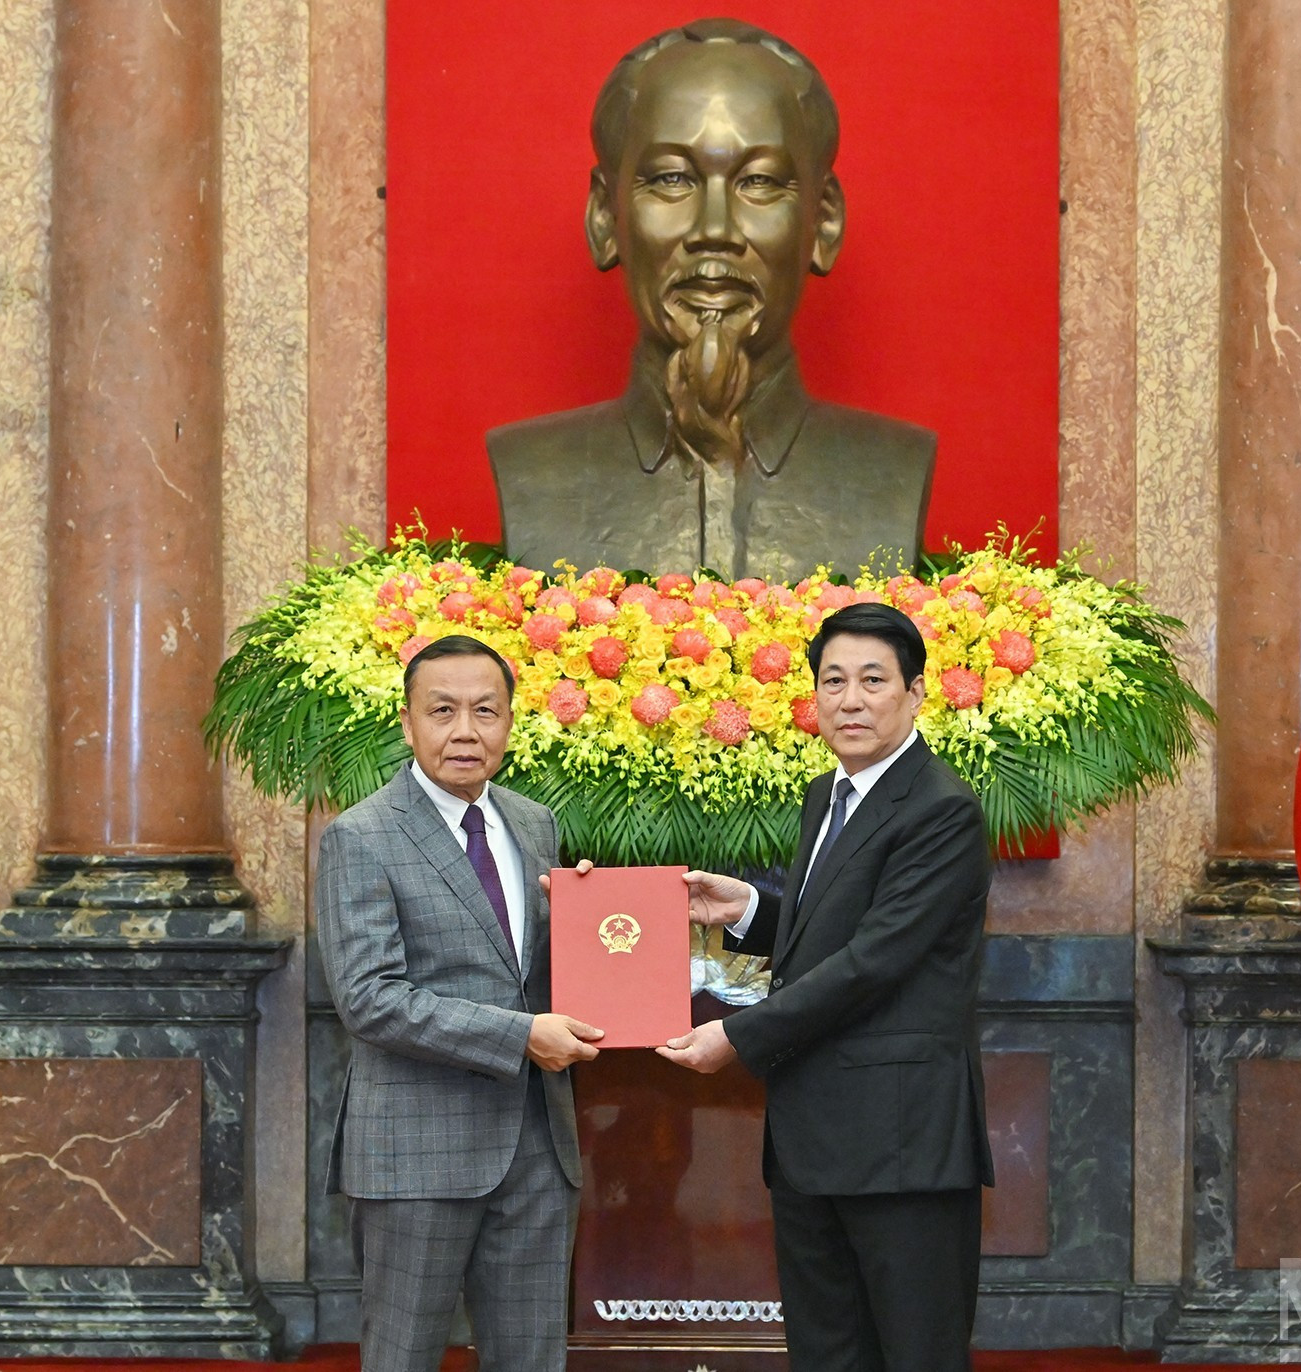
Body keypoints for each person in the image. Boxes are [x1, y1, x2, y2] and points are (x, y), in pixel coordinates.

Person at [658, 602, 995, 1371]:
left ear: (916, 693)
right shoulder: (829, 795)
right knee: (827, 1353)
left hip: (902, 1140)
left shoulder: (942, 809)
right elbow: (831, 934)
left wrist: (737, 1036)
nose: (849, 699)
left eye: (873, 680)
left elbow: (876, 962)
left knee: (914, 1352)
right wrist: (747, 908)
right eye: (832, 680)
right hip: (816, 1136)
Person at [488, 18, 935, 582]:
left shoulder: (894, 469)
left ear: (823, 222)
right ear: (606, 218)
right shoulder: (532, 470)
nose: (715, 229)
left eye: (760, 181)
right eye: (673, 179)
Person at [317, 634, 604, 1372]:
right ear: (408, 724)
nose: (465, 731)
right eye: (442, 711)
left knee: (533, 1358)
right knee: (404, 1356)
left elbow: (530, 971)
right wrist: (519, 1037)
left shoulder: (533, 822)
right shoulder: (362, 836)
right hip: (417, 1147)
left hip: (538, 1145)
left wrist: (589, 918)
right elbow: (369, 999)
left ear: (511, 724)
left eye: (486, 711)